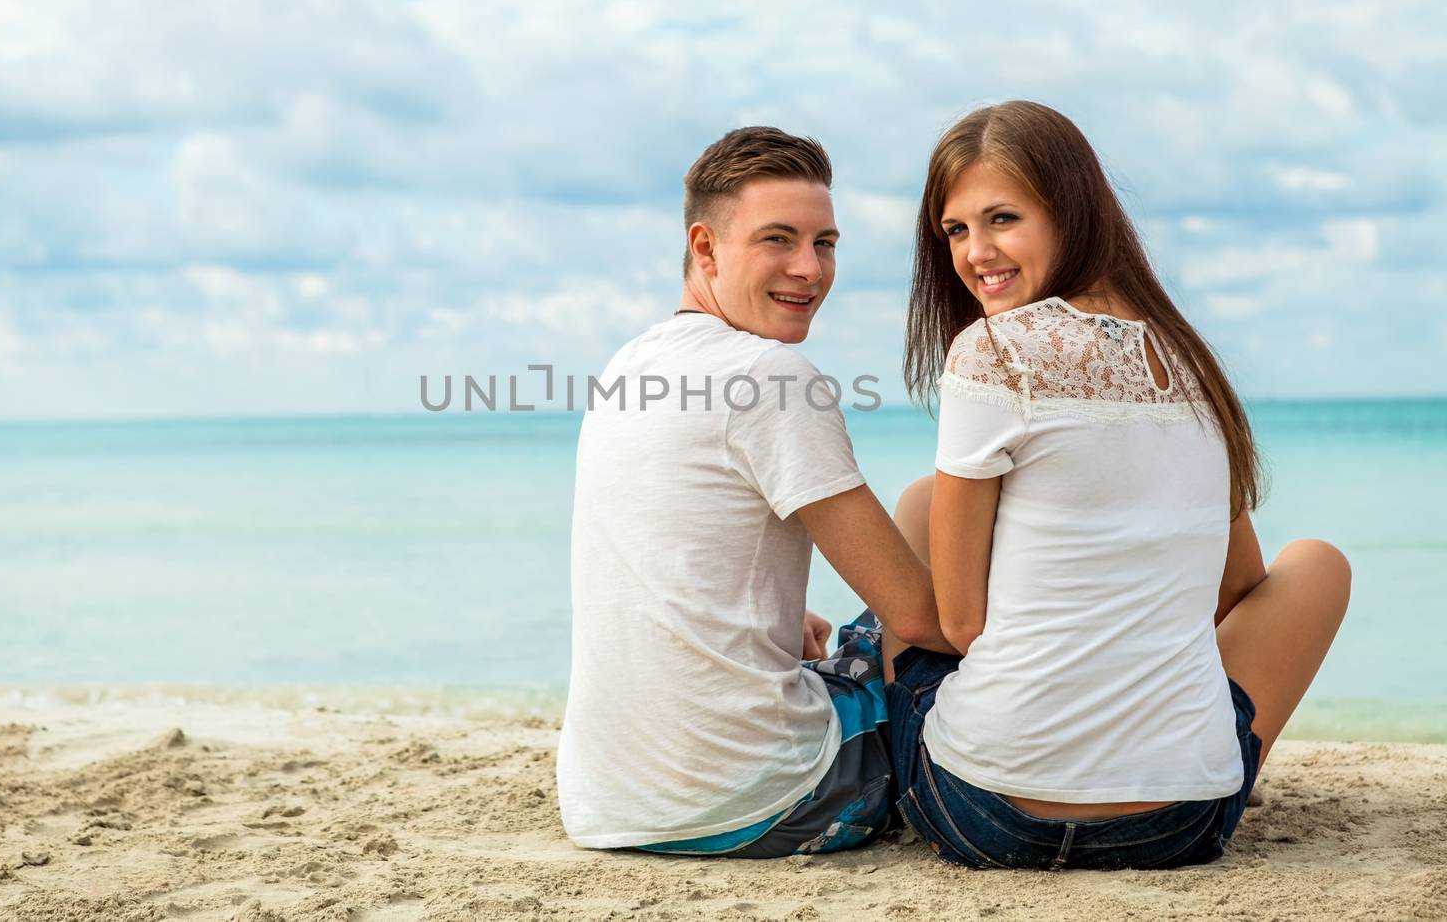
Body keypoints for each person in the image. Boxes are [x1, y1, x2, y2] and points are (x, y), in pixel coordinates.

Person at [884, 100, 1351, 870]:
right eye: (956, 230)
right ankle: (1176, 750)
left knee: (917, 506)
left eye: (1002, 218)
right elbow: (1237, 587)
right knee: (1319, 565)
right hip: (1178, 822)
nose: (975, 252)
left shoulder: (990, 350)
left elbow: (964, 627)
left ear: (1071, 210)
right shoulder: (1190, 361)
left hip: (988, 812)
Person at [557, 126, 954, 858]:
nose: (809, 269)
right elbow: (921, 615)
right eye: (780, 239)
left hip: (609, 800)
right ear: (705, 248)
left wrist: (770, 610)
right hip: (766, 798)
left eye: (826, 243)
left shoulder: (628, 367)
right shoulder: (771, 376)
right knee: (927, 537)